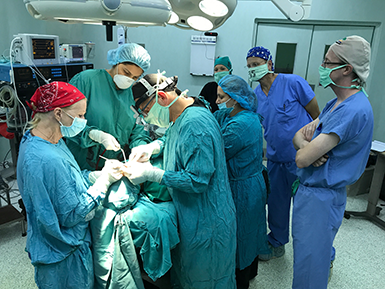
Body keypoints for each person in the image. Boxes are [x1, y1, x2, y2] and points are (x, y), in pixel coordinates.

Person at [122, 72, 237, 289]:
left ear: (162, 98)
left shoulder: (195, 124)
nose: (147, 118)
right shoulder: (185, 110)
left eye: (146, 111)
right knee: (188, 277)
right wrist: (153, 147)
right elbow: (172, 136)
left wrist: (151, 174)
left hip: (207, 221)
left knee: (206, 280)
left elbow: (197, 180)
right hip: (192, 215)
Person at [17, 82, 123, 289]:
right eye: (81, 115)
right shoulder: (46, 159)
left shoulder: (46, 140)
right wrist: (105, 181)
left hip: (52, 246)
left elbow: (68, 179)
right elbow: (73, 214)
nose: (84, 121)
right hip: (62, 252)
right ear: (58, 113)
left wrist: (93, 176)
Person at [291, 35, 373, 288]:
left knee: (309, 269)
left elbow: (302, 159)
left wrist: (305, 150)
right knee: (312, 256)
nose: (322, 67)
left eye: (328, 63)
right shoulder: (335, 103)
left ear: (347, 69)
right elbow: (297, 137)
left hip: (320, 199)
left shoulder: (352, 109)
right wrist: (307, 146)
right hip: (313, 195)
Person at [246, 46, 320, 260]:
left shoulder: (293, 83)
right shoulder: (256, 96)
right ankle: (277, 241)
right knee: (277, 204)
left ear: (269, 64)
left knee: (306, 208)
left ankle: (316, 251)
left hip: (301, 159)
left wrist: (314, 147)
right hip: (275, 159)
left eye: (256, 64)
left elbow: (316, 116)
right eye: (249, 66)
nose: (253, 69)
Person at [214, 74, 270, 289]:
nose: (217, 102)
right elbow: (213, 120)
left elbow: (217, 151)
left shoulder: (242, 124)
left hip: (244, 187)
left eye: (221, 97)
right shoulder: (232, 114)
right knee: (251, 231)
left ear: (235, 98)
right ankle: (250, 271)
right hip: (248, 180)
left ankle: (241, 281)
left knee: (242, 236)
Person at [67, 43, 152, 171]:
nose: (128, 79)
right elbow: (66, 121)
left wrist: (140, 147)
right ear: (116, 61)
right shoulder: (86, 81)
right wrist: (94, 134)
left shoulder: (132, 92)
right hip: (83, 165)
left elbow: (139, 127)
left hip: (117, 167)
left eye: (134, 77)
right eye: (126, 72)